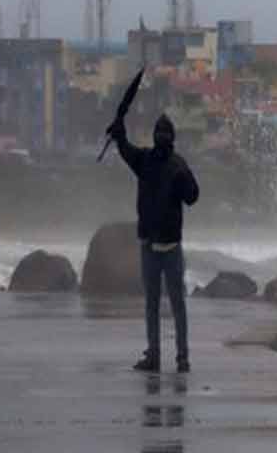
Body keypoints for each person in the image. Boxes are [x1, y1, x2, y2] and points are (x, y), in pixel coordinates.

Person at [108, 113, 200, 373]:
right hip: (153, 244)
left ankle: (174, 357)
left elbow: (192, 196)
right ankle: (166, 357)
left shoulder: (170, 164)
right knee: (165, 304)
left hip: (165, 246)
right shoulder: (150, 160)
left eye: (164, 133)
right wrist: (119, 133)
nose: (161, 137)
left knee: (164, 304)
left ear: (170, 137)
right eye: (159, 133)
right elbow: (126, 150)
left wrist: (119, 135)